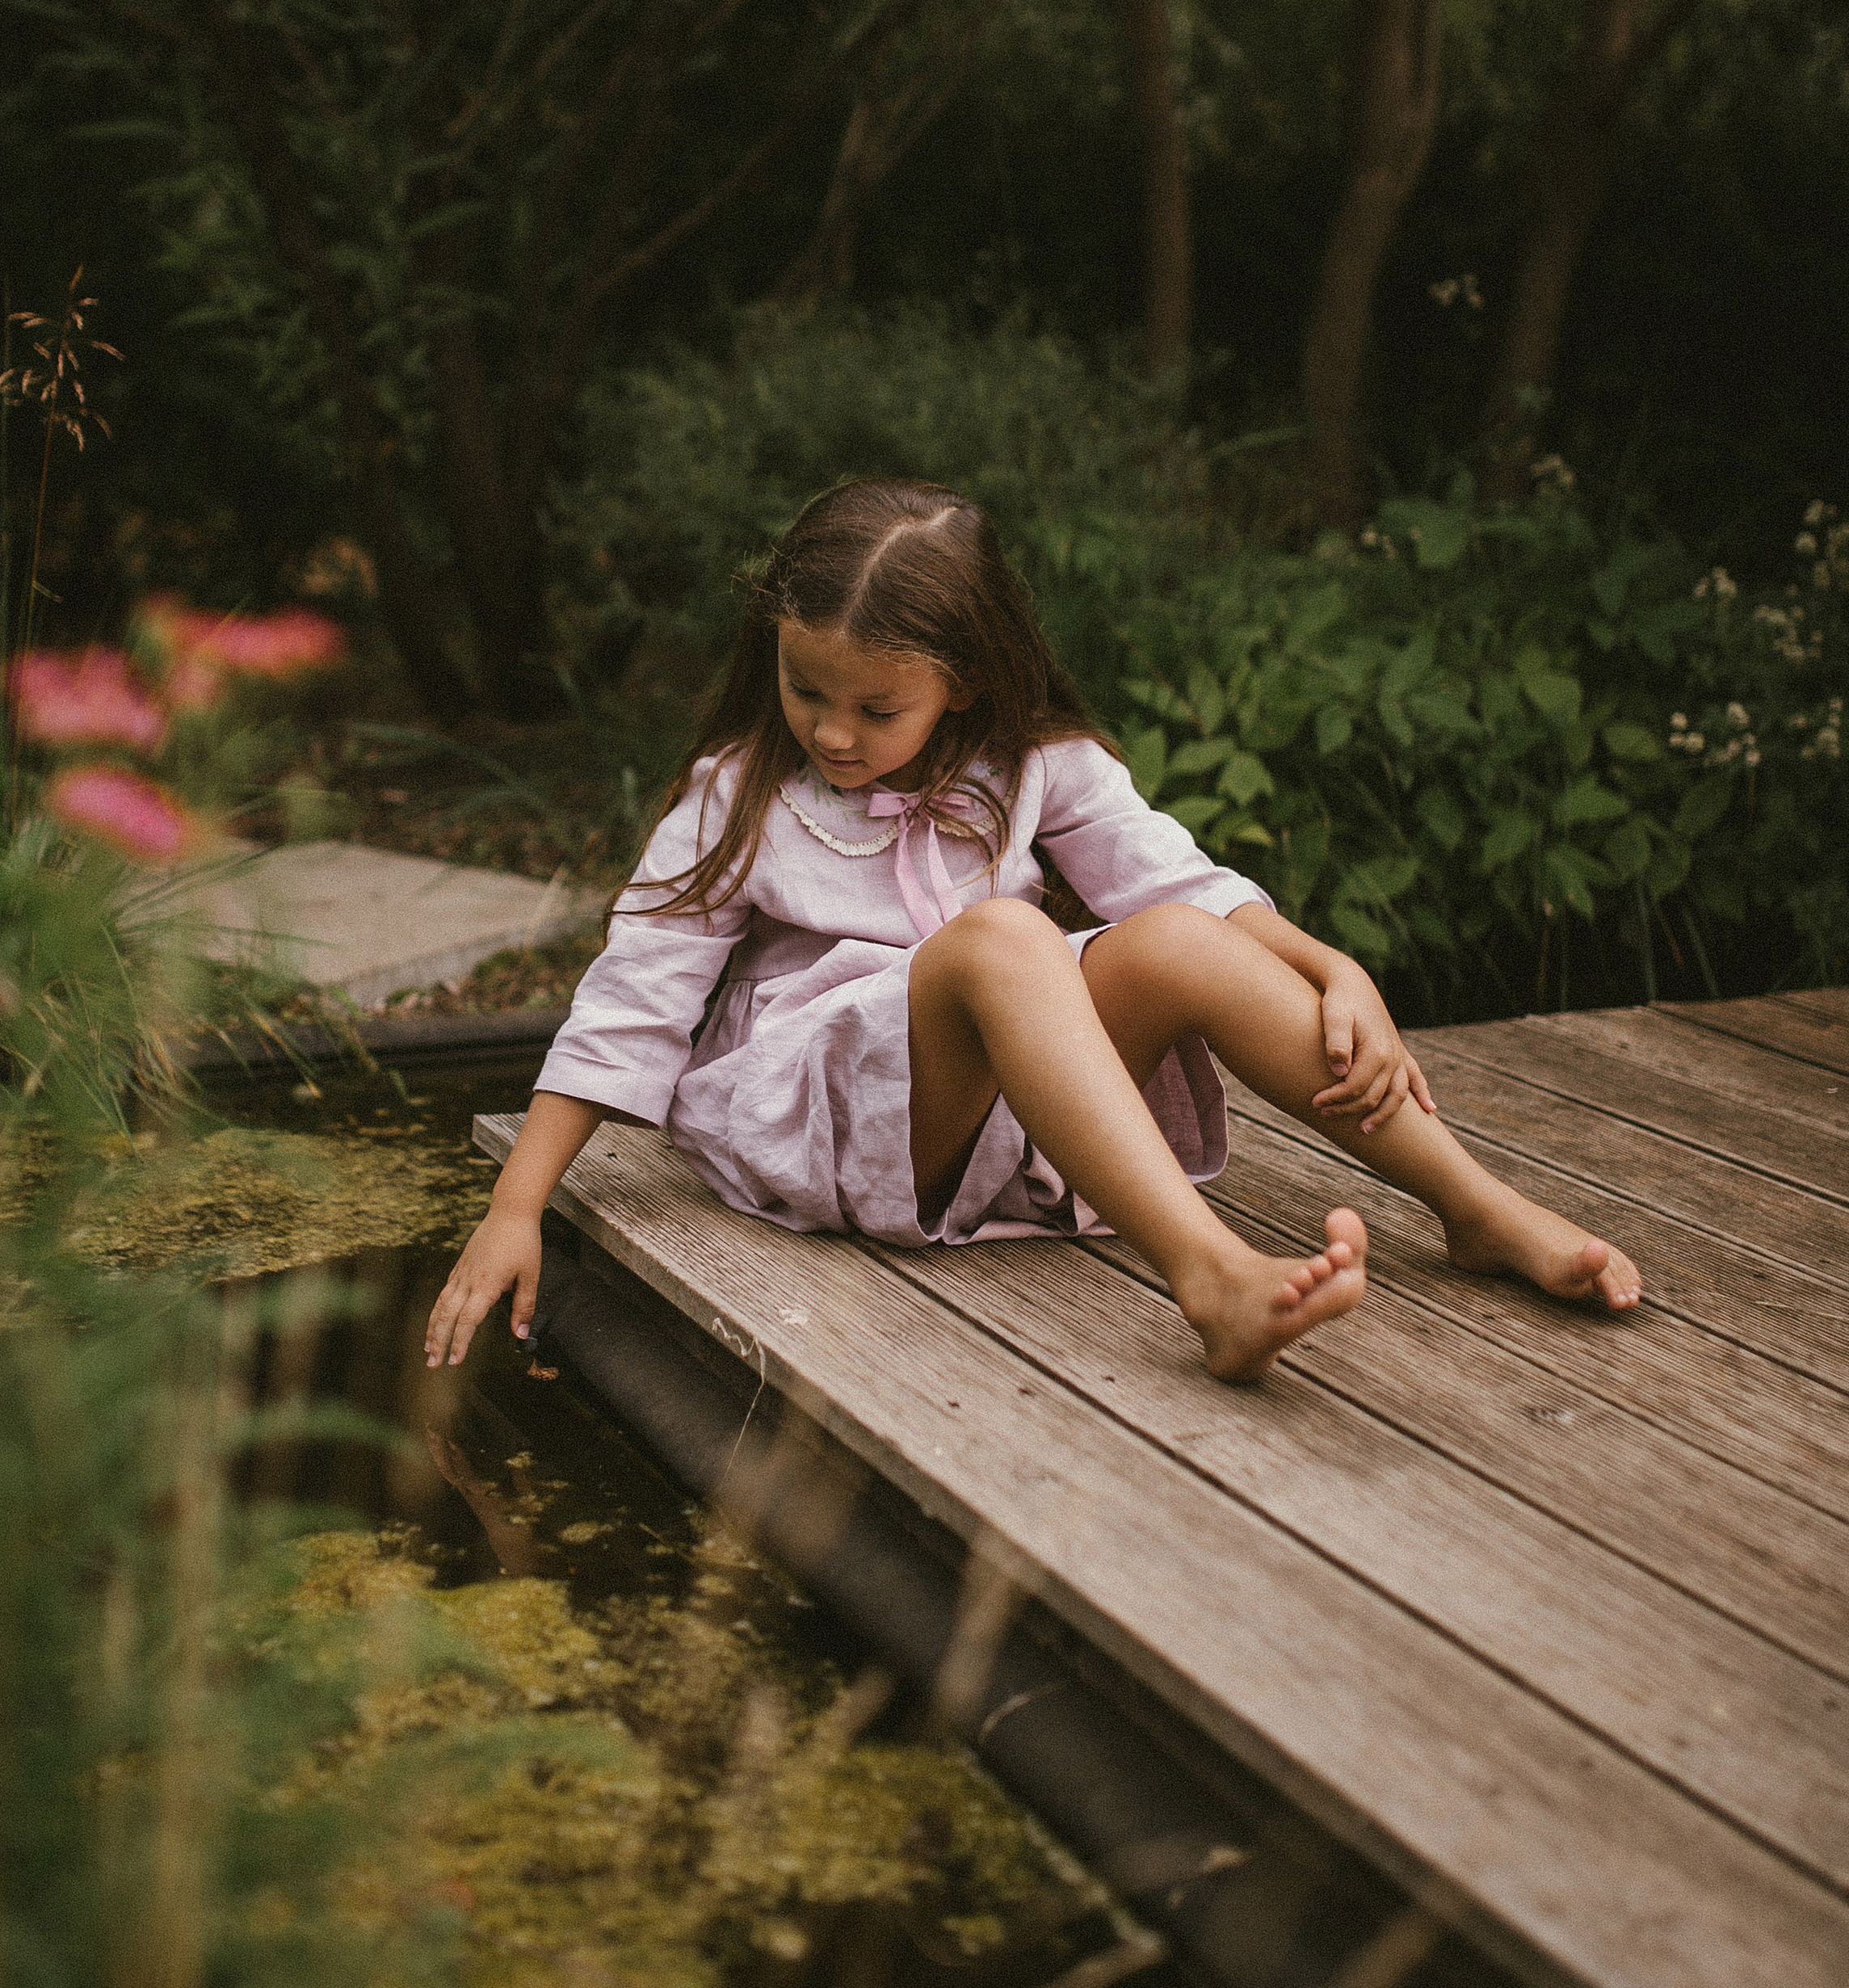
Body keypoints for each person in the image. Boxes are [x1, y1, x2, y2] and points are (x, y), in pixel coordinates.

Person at [427, 480, 1639, 1387]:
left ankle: (1472, 1207)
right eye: (806, 691)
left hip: (1000, 1114)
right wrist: (517, 1206)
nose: (834, 733)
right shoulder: (738, 794)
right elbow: (632, 1000)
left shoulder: (1035, 764)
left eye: (877, 707)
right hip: (823, 1119)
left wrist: (1338, 969)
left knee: (1173, 938)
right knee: (1009, 936)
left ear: (961, 681)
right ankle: (1209, 1274)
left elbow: (1187, 884)